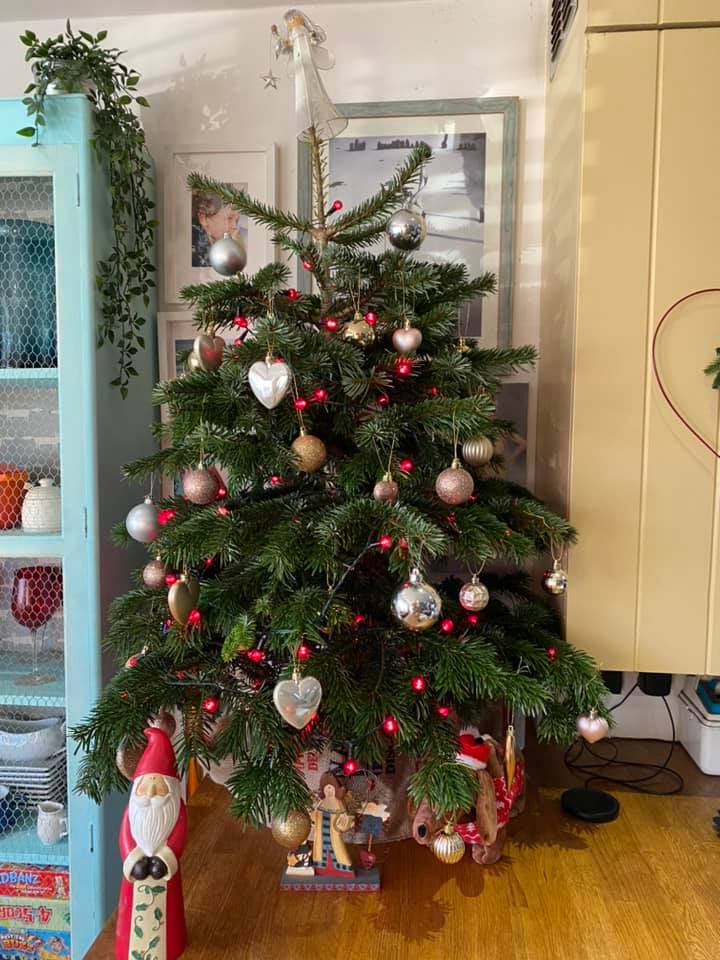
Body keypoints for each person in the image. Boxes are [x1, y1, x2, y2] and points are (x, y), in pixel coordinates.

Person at [116, 727, 187, 960]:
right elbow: (125, 839)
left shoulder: (176, 811)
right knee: (131, 912)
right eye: (147, 785)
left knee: (169, 917)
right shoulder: (132, 811)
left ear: (171, 788)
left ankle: (171, 946)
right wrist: (132, 858)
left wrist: (165, 858)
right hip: (136, 867)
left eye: (158, 786)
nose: (151, 793)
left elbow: (177, 838)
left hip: (165, 868)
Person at [311, 772, 355, 876]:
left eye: (331, 788)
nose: (329, 791)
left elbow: (344, 818)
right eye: (327, 788)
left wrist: (345, 822)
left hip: (334, 834)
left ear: (336, 789)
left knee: (339, 852)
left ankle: (344, 870)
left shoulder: (339, 804)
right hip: (321, 834)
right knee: (320, 853)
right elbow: (315, 815)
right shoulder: (321, 803)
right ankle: (321, 869)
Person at [191, 190, 245, 267]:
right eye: (229, 218)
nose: (235, 227)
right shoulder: (193, 253)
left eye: (236, 221)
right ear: (203, 218)